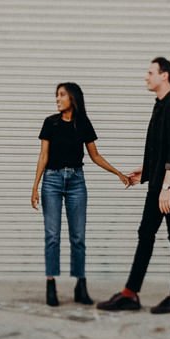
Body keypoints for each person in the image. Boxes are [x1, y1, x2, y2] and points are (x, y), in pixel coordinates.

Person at [97, 56, 170, 315]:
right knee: (146, 234)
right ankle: (130, 293)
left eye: (150, 72)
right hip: (160, 183)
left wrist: (167, 188)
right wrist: (147, 173)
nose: (146, 77)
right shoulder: (162, 105)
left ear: (165, 76)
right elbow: (160, 147)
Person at [29, 81, 130, 307]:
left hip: (76, 181)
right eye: (56, 95)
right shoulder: (50, 123)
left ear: (72, 98)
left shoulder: (82, 123)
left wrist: (117, 172)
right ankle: (51, 284)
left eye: (62, 95)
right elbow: (43, 156)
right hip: (52, 181)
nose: (57, 99)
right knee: (52, 236)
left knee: (78, 237)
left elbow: (95, 155)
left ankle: (80, 286)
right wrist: (35, 186)